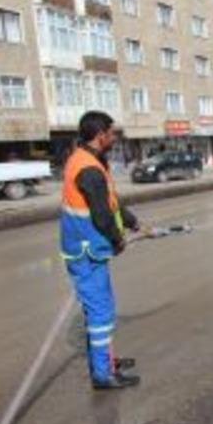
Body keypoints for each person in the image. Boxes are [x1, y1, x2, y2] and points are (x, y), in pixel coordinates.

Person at [60, 111, 145, 390]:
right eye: (111, 132)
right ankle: (102, 374)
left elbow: (110, 202)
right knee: (99, 313)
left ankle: (106, 359)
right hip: (86, 252)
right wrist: (117, 239)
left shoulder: (92, 160)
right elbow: (100, 215)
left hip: (89, 249)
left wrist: (132, 222)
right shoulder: (88, 168)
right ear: (100, 136)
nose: (114, 136)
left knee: (103, 309)